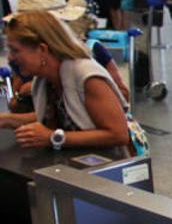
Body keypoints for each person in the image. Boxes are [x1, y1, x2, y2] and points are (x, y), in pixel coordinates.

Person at [0, 10, 134, 153]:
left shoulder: (87, 76)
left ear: (42, 49)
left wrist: (54, 137)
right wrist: (7, 120)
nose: (9, 58)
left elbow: (118, 134)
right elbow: (59, 116)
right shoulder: (45, 79)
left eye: (15, 50)